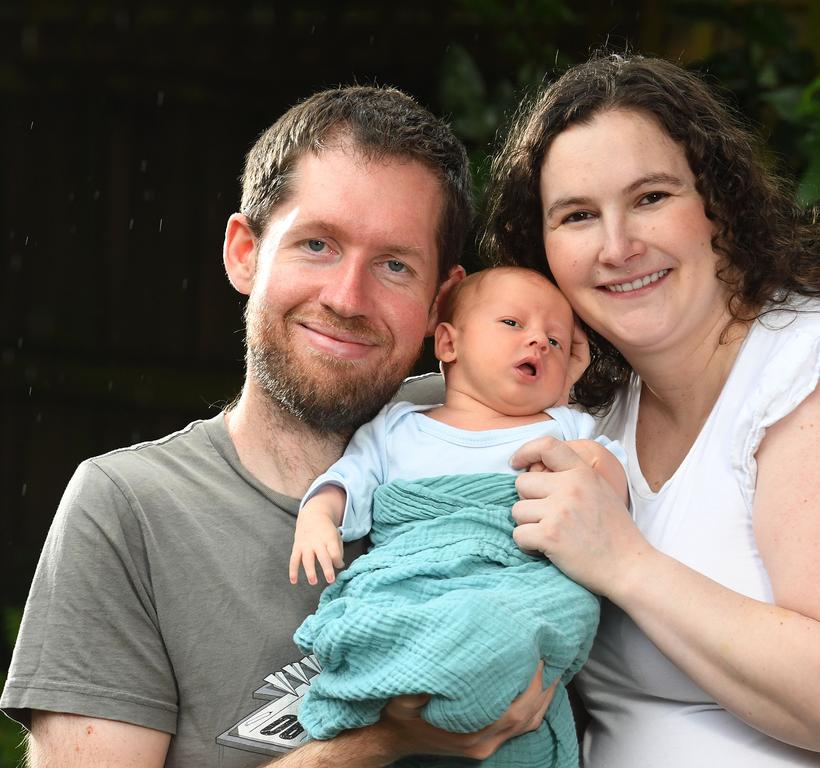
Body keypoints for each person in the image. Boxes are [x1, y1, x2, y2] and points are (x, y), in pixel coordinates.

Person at [481, 53, 820, 766]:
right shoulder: (597, 416)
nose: (617, 246)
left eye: (651, 198)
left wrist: (623, 561)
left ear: (719, 203)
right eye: (577, 216)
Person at [1, 85, 554, 768]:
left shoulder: (522, 448)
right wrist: (381, 742)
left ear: (444, 301)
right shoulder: (130, 509)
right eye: (317, 244)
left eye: (393, 265)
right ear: (244, 253)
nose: (347, 299)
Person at [289, 266, 627, 767]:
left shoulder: (566, 424)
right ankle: (439, 674)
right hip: (415, 570)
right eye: (512, 324)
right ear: (448, 343)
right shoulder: (397, 426)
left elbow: (610, 496)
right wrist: (317, 517)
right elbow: (351, 476)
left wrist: (586, 464)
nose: (538, 340)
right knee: (383, 611)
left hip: (514, 577)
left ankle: (461, 674)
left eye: (556, 342)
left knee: (549, 607)